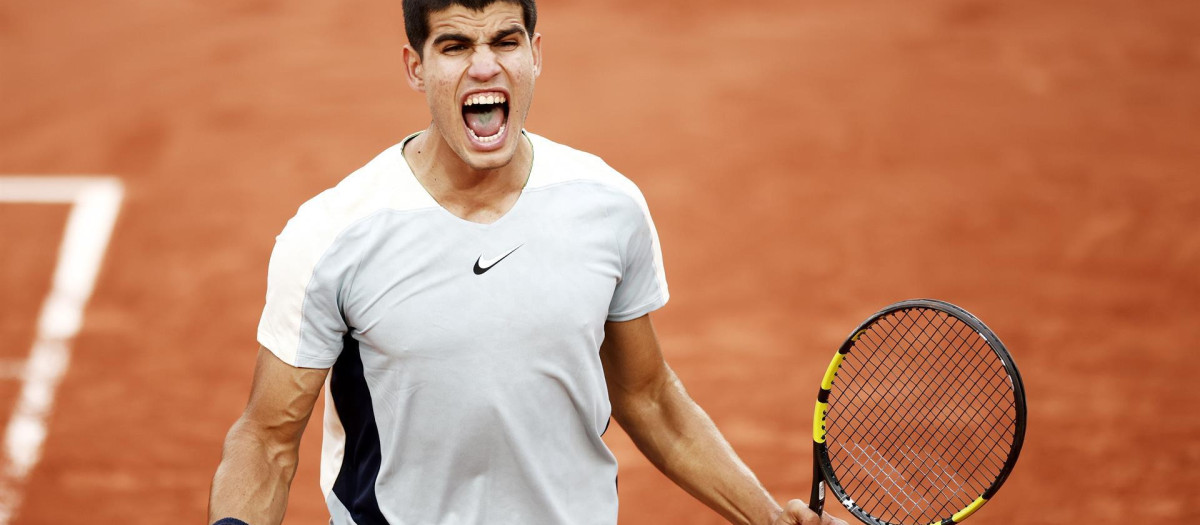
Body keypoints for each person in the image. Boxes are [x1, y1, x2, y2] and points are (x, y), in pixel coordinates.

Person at [208, 1, 847, 524]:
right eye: (455, 46)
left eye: (505, 42)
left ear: (536, 53)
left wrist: (766, 516)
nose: (484, 67)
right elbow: (266, 440)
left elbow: (647, 395)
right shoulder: (334, 234)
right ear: (414, 66)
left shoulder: (606, 206)